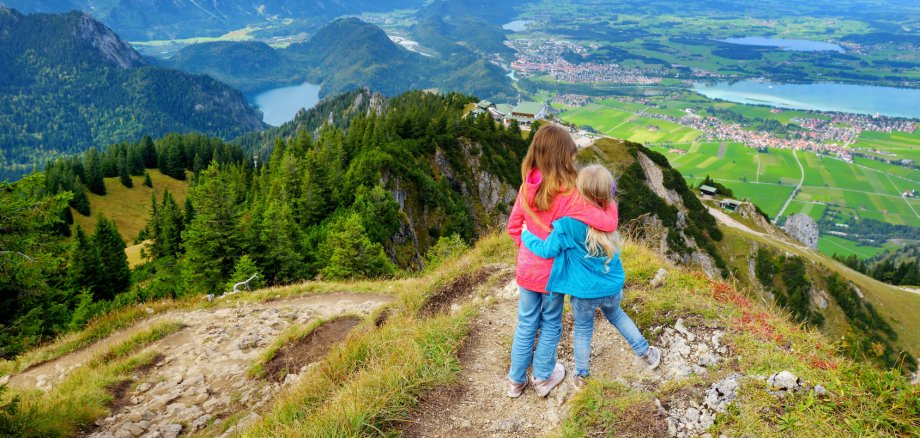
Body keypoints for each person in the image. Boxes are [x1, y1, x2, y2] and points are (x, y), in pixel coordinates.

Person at [521, 164, 660, 387]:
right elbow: (609, 199)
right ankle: (647, 354)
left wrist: (526, 235)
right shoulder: (610, 213)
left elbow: (547, 250)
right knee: (617, 315)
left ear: (578, 190)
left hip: (583, 291)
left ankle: (582, 375)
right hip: (611, 285)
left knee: (583, 329)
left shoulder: (567, 224)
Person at [506, 125, 619, 398]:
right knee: (551, 323)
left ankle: (515, 381)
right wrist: (611, 200)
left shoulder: (526, 186)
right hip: (553, 275)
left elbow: (513, 227)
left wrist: (528, 252)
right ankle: (543, 377)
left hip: (526, 270)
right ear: (563, 157)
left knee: (526, 323)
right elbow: (608, 223)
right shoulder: (570, 195)